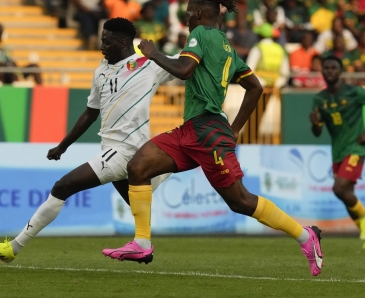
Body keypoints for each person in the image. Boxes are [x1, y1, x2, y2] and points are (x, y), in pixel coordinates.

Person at [102, 0, 324, 277]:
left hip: (208, 132)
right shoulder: (227, 46)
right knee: (138, 167)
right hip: (192, 130)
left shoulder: (200, 34)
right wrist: (236, 127)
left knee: (240, 201)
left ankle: (306, 236)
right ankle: (142, 243)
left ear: (197, 13)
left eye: (187, 11)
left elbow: (184, 70)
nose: (185, 15)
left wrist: (153, 53)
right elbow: (254, 87)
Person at [0, 17, 176, 263]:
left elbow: (185, 65)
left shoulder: (147, 65)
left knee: (63, 186)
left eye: (106, 42)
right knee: (133, 197)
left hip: (126, 151)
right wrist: (63, 145)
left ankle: (14, 248)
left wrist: (168, 51)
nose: (101, 46)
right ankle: (162, 177)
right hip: (112, 149)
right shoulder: (101, 71)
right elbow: (90, 113)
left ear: (122, 41)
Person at [309, 55, 365, 249]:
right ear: (322, 72)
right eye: (326, 68)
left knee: (339, 188)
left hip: (356, 147)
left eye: (334, 68)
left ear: (340, 71)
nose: (330, 71)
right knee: (345, 193)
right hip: (338, 151)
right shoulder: (320, 98)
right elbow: (317, 132)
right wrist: (315, 123)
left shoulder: (355, 92)